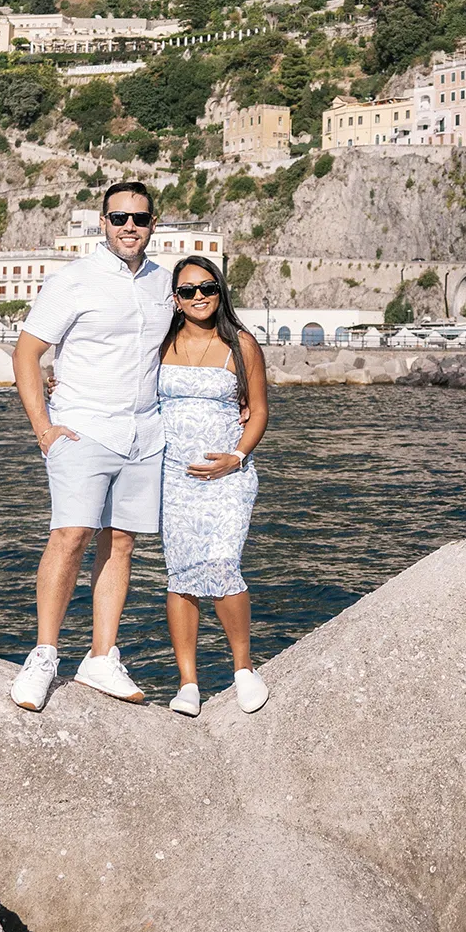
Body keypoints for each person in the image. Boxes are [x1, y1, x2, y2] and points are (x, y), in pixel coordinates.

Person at [9, 182, 172, 711]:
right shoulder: (72, 280)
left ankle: (102, 657)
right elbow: (27, 353)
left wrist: (238, 395)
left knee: (121, 542)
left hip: (144, 432)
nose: (130, 227)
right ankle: (44, 655)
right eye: (119, 217)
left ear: (153, 224)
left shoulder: (164, 283)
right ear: (102, 223)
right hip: (83, 427)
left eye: (139, 218)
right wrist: (43, 428)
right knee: (71, 534)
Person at [156, 255, 270, 717]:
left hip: (229, 477)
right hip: (174, 477)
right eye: (188, 291)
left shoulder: (241, 344)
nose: (199, 296)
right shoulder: (159, 343)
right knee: (182, 574)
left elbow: (258, 410)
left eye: (207, 287)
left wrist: (236, 456)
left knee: (223, 564)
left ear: (220, 291)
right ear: (176, 299)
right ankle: (188, 683)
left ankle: (243, 668)